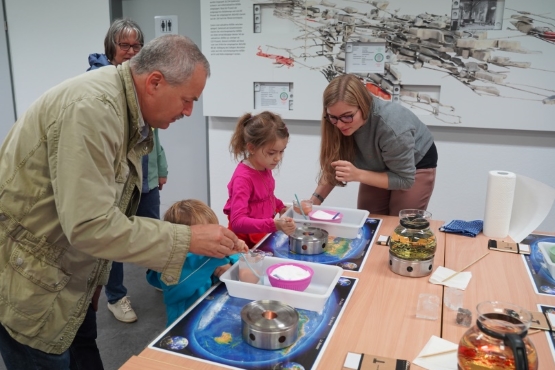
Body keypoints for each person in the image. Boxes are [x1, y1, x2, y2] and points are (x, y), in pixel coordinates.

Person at [0, 34, 240, 370]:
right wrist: (189, 238)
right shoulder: (92, 110)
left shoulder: (123, 109)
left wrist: (96, 278)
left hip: (70, 277)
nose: (188, 111)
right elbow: (90, 224)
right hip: (35, 285)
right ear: (155, 82)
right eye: (187, 100)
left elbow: (104, 207)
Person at [87, 18, 169, 323]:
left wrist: (160, 167)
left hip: (146, 176)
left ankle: (155, 275)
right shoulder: (102, 85)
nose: (131, 51)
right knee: (115, 241)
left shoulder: (144, 80)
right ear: (111, 48)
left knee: (153, 228)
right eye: (125, 45)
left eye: (137, 45)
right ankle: (117, 296)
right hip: (117, 181)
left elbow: (155, 132)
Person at [310, 74, 438, 216]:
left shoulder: (392, 126)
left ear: (364, 106)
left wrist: (358, 174)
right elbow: (334, 165)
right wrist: (313, 202)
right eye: (333, 117)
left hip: (414, 164)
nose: (339, 124)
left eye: (347, 116)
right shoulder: (335, 121)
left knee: (400, 221)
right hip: (376, 162)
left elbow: (405, 180)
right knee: (369, 218)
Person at [147, 199, 248, 327]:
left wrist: (232, 255)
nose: (213, 242)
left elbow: (235, 260)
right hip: (183, 325)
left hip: (209, 316)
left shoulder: (208, 256)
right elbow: (183, 286)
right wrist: (218, 258)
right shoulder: (170, 265)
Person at [223, 111, 296, 249]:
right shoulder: (243, 179)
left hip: (260, 238)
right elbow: (237, 221)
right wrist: (274, 224)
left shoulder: (264, 166)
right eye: (272, 152)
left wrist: (281, 207)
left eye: (282, 151)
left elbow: (266, 197)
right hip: (242, 246)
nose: (278, 158)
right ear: (251, 148)